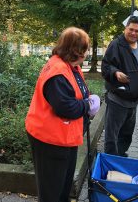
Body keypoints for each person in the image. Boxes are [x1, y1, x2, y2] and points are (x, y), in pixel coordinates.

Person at [25, 27, 100, 202]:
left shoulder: (70, 66)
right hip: (50, 140)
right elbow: (66, 108)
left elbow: (75, 94)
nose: (87, 53)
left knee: (63, 186)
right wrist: (88, 105)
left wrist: (87, 100)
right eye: (85, 48)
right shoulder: (58, 73)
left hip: (64, 137)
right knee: (52, 191)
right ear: (77, 50)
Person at [101, 16, 138, 156]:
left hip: (133, 101)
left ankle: (121, 158)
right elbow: (105, 66)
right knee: (112, 135)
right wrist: (115, 73)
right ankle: (110, 163)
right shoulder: (116, 44)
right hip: (118, 99)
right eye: (131, 29)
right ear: (125, 28)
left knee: (127, 134)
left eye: (137, 31)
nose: (134, 33)